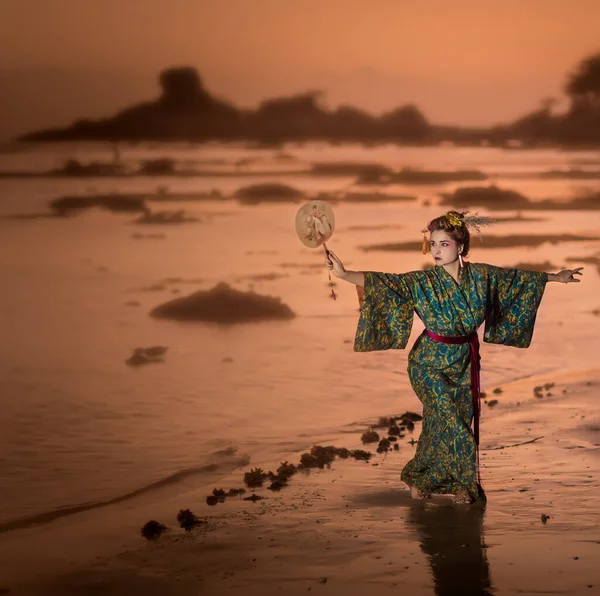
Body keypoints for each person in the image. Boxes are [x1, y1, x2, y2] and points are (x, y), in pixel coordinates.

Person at [326, 210, 583, 505]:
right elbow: (386, 283)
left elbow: (515, 279)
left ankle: (419, 478)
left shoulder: (483, 276)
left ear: (460, 247)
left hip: (464, 360)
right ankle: (465, 485)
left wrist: (556, 278)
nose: (436, 250)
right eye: (433, 244)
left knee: (444, 421)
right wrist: (343, 274)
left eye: (443, 244)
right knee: (449, 416)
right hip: (427, 363)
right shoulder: (421, 282)